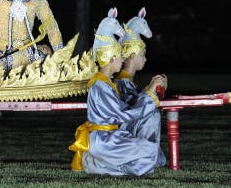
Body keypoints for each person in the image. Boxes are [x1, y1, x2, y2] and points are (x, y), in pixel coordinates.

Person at [68, 35, 167, 176]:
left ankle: (102, 164)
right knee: (150, 152)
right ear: (111, 58)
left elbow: (126, 108)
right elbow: (123, 115)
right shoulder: (100, 86)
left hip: (111, 137)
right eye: (120, 56)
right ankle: (95, 165)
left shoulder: (105, 83)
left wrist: (149, 92)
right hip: (104, 140)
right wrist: (150, 96)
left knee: (150, 152)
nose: (123, 59)